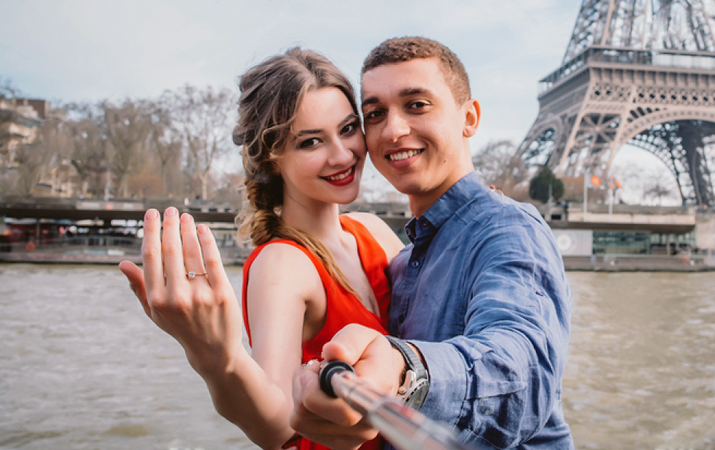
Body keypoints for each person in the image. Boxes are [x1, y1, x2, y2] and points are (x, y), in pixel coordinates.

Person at [289, 37, 574, 450]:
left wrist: (407, 372)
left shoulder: (510, 230)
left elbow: (522, 373)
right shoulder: (402, 262)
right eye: (374, 114)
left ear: (469, 117)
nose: (393, 129)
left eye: (416, 104)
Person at [119, 48, 403, 450]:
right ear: (272, 158)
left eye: (347, 128)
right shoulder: (282, 263)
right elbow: (279, 426)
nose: (342, 155)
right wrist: (219, 359)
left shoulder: (374, 231)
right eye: (310, 142)